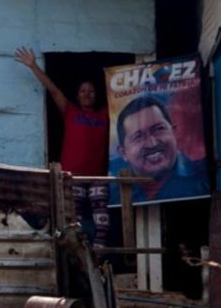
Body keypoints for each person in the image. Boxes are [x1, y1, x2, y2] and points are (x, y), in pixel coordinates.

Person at [14, 47, 109, 248]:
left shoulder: (104, 115)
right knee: (76, 223)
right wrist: (33, 65)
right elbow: (53, 89)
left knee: (102, 221)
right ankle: (82, 259)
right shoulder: (71, 112)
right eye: (83, 91)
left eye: (91, 91)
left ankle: (99, 256)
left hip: (97, 177)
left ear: (97, 95)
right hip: (72, 177)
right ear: (77, 94)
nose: (87, 94)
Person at [111, 95, 209, 203]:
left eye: (158, 129)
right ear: (123, 152)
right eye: (138, 137)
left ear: (174, 132)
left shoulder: (206, 179)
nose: (152, 143)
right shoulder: (113, 196)